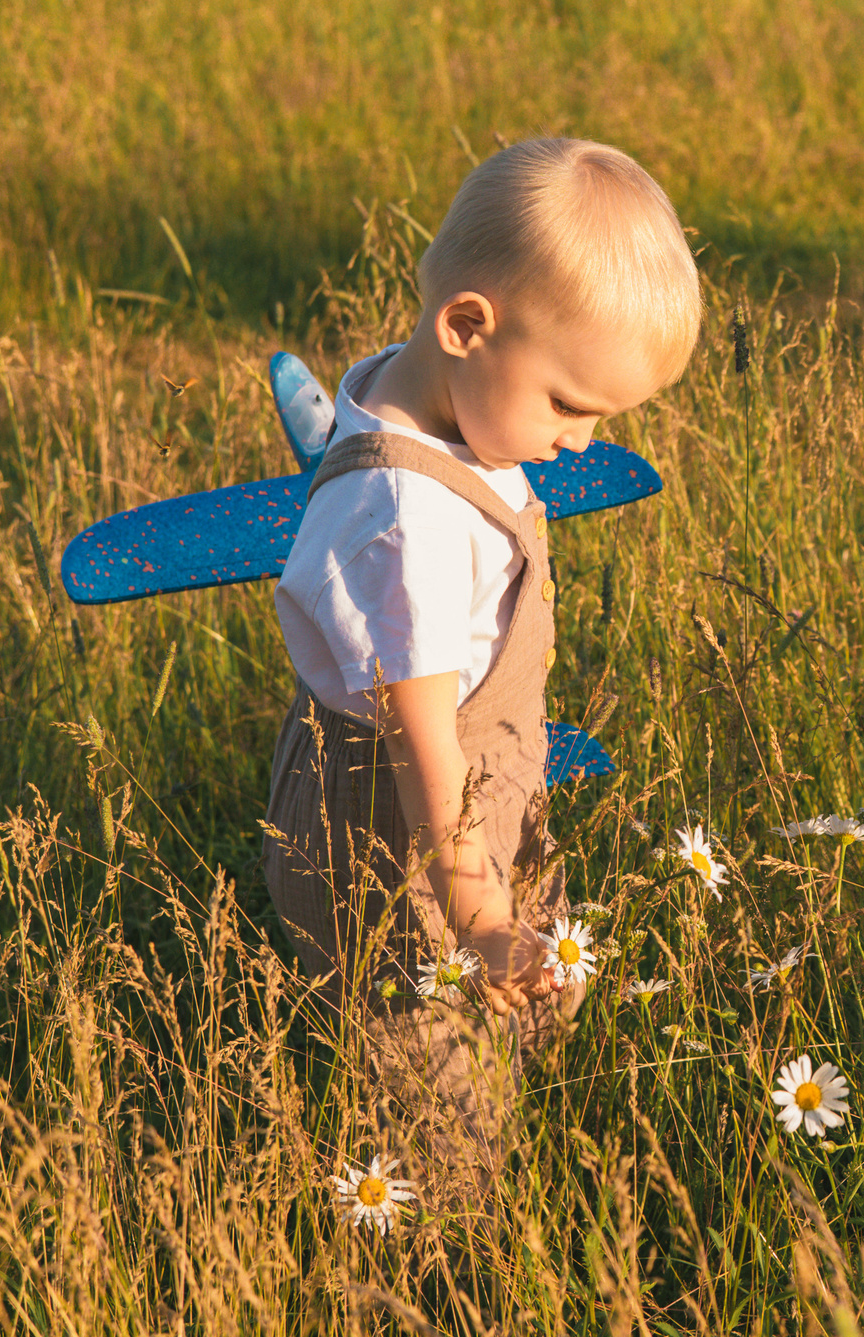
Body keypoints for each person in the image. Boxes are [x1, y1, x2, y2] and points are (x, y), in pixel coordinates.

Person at [263, 137, 700, 1201]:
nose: (580, 440)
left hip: (481, 787)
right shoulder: (403, 531)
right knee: (438, 1081)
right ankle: (459, 1269)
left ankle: (511, 1063)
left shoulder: (431, 393)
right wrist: (475, 918)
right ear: (466, 326)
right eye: (567, 405)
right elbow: (421, 747)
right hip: (401, 841)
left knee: (535, 998)